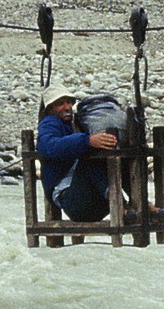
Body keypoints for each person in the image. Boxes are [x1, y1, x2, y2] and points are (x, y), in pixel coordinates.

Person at [37, 82, 117, 221]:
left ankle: (133, 204)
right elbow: (49, 146)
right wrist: (87, 141)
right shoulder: (49, 123)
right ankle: (122, 204)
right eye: (60, 104)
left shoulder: (74, 124)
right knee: (88, 160)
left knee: (115, 161)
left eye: (69, 103)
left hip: (93, 201)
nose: (67, 107)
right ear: (50, 109)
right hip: (72, 202)